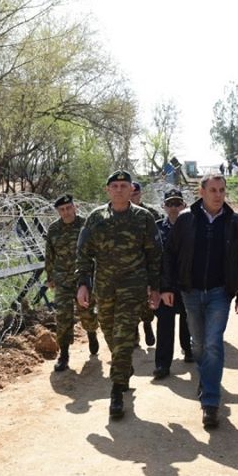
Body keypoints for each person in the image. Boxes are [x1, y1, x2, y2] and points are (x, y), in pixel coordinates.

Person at [158, 173, 238, 430]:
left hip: (220, 292)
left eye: (222, 190)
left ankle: (210, 401)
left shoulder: (234, 221)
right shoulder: (186, 219)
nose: (218, 195)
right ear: (202, 192)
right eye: (213, 190)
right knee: (198, 344)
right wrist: (166, 287)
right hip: (191, 291)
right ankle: (206, 376)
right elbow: (170, 254)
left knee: (212, 342)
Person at [77, 170, 162, 419]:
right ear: (107, 190)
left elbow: (154, 255)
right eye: (114, 186)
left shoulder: (143, 218)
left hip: (133, 287)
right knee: (110, 332)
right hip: (104, 287)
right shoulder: (96, 218)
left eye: (124, 186)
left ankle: (117, 390)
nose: (119, 190)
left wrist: (155, 287)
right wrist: (83, 283)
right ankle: (123, 368)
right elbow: (83, 253)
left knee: (124, 336)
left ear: (131, 189)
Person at [45, 194, 98, 372]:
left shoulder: (86, 225)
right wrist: (50, 277)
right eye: (62, 210)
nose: (66, 212)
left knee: (87, 311)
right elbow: (50, 254)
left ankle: (91, 333)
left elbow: (95, 251)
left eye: (68, 208)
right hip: (62, 279)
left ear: (74, 207)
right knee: (62, 316)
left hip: (83, 278)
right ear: (58, 212)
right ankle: (64, 354)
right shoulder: (54, 229)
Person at [152, 188, 193, 379]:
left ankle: (188, 350)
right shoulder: (156, 228)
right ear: (164, 206)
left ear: (184, 205)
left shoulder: (193, 225)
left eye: (177, 204)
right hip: (165, 284)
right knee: (165, 325)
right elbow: (152, 257)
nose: (174, 208)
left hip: (187, 283)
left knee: (188, 320)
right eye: (170, 204)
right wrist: (154, 286)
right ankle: (162, 364)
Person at [131, 180, 161, 347]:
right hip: (128, 266)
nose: (132, 197)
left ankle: (147, 324)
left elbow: (159, 240)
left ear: (140, 194)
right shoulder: (119, 213)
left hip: (146, 264)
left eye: (135, 194)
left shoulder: (151, 214)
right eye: (130, 194)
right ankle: (134, 331)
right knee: (130, 300)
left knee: (146, 298)